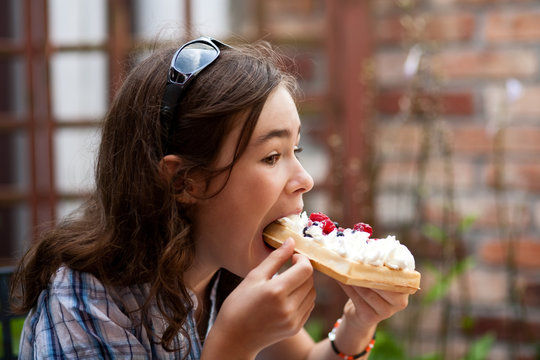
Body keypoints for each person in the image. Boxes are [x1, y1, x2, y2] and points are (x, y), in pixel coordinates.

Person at [11, 36, 409, 359]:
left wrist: (357, 325)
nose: (303, 180)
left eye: (296, 152)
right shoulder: (84, 303)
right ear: (185, 181)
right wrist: (235, 345)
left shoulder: (227, 272)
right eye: (272, 156)